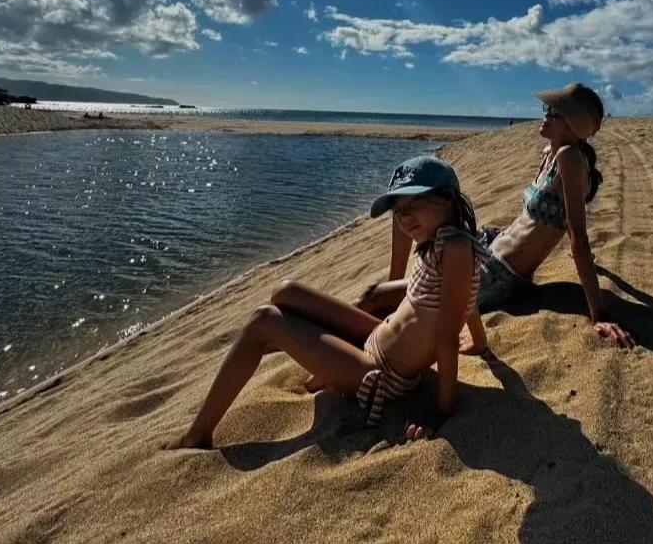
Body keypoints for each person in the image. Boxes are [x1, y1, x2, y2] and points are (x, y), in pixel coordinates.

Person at [163, 156, 488, 449]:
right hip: (376, 339)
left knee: (263, 320)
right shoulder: (443, 240)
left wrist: (442, 411)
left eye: (414, 203)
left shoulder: (456, 248)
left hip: (381, 374)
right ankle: (303, 348)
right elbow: (463, 299)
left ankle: (198, 435)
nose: (405, 218)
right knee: (285, 292)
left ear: (448, 198)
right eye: (399, 210)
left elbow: (447, 334)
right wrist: (479, 339)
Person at [358, 83, 635, 352]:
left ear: (575, 125)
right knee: (403, 205)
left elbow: (578, 237)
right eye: (546, 109)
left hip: (498, 274)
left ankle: (353, 331)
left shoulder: (570, 158)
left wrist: (597, 314)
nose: (545, 116)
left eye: (555, 113)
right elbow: (542, 223)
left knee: (374, 295)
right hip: (490, 241)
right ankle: (394, 285)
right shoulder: (551, 154)